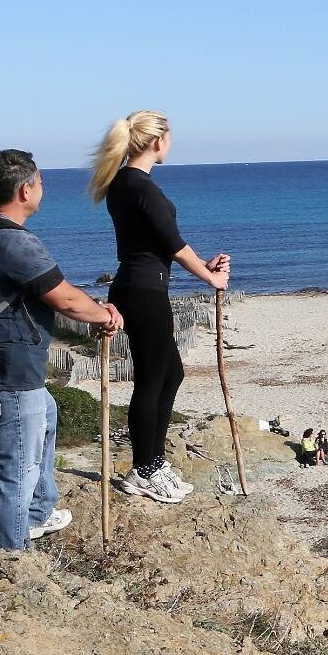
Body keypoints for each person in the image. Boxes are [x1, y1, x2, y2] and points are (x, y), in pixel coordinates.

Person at [0, 149, 123, 551]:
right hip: (6, 373)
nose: (43, 189)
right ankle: (9, 556)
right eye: (41, 182)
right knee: (14, 468)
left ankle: (37, 512)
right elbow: (65, 299)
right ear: (25, 189)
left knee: (46, 413)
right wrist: (102, 315)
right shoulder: (13, 243)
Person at [87, 111, 230, 505]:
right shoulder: (141, 186)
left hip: (138, 287)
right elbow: (173, 244)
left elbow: (167, 240)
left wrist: (205, 266)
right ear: (157, 142)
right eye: (170, 138)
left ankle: (152, 462)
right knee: (152, 379)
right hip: (145, 292)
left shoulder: (122, 182)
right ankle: (144, 470)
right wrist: (210, 277)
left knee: (171, 373)